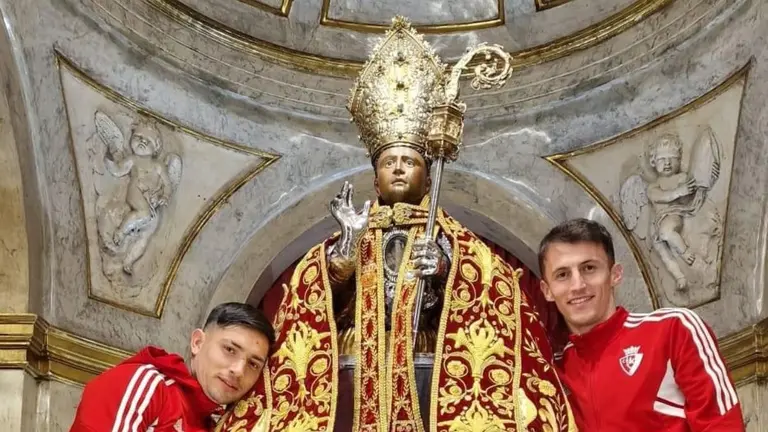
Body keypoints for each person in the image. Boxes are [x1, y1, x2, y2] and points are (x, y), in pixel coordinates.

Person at [216, 16, 577, 432]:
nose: (401, 169)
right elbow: (309, 305)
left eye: (410, 162)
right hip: (357, 357)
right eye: (390, 162)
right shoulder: (352, 232)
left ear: (427, 176)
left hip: (429, 355)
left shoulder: (451, 238)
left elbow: (493, 297)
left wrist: (445, 268)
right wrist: (343, 257)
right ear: (375, 177)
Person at [538, 218, 744, 431]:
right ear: (547, 290)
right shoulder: (554, 371)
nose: (578, 285)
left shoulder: (673, 329)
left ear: (615, 275)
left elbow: (722, 424)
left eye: (589, 268)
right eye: (562, 275)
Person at [69, 302, 275, 432]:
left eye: (253, 364)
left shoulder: (215, 424)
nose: (239, 370)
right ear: (197, 342)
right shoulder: (149, 385)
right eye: (230, 350)